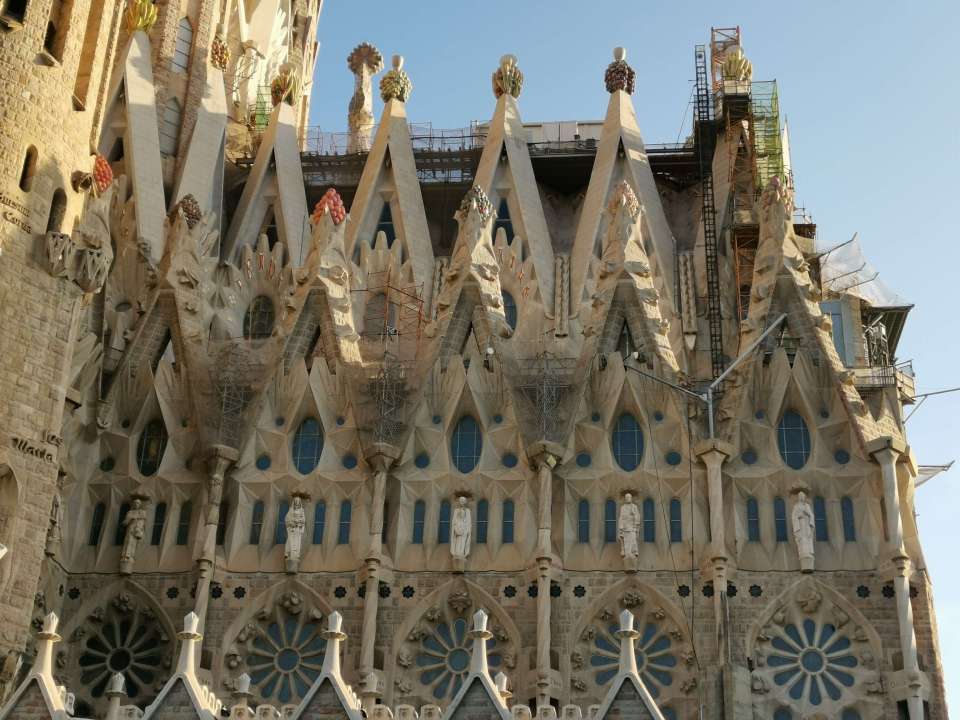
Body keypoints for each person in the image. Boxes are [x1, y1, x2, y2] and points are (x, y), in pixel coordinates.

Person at [618, 493, 641, 559]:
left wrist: (634, 515)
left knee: (633, 539)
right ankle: (626, 553)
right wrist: (621, 527)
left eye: (629, 497)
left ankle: (634, 552)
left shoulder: (634, 507)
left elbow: (638, 516)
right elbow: (621, 517)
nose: (628, 498)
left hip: (632, 527)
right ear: (625, 499)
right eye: (627, 497)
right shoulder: (623, 507)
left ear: (631, 498)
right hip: (625, 527)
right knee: (626, 541)